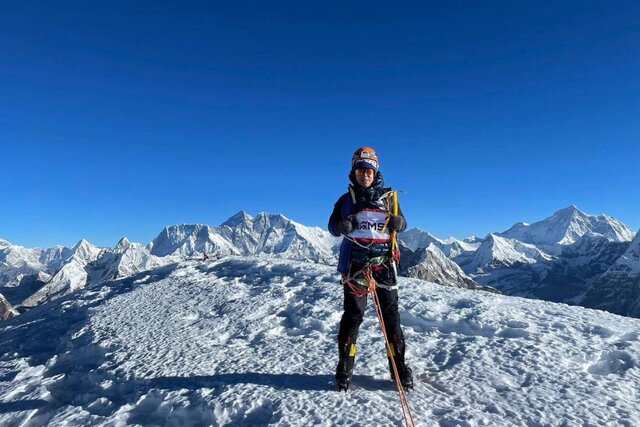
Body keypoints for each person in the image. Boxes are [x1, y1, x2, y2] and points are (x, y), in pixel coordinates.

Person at [328, 147, 413, 391]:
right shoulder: (345, 201)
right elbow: (332, 226)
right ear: (353, 172)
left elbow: (402, 222)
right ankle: (344, 368)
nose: (364, 174)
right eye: (359, 170)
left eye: (368, 170)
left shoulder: (388, 199)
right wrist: (341, 227)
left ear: (375, 172)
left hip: (384, 266)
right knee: (353, 318)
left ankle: (399, 367)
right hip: (356, 267)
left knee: (391, 319)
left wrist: (399, 223)